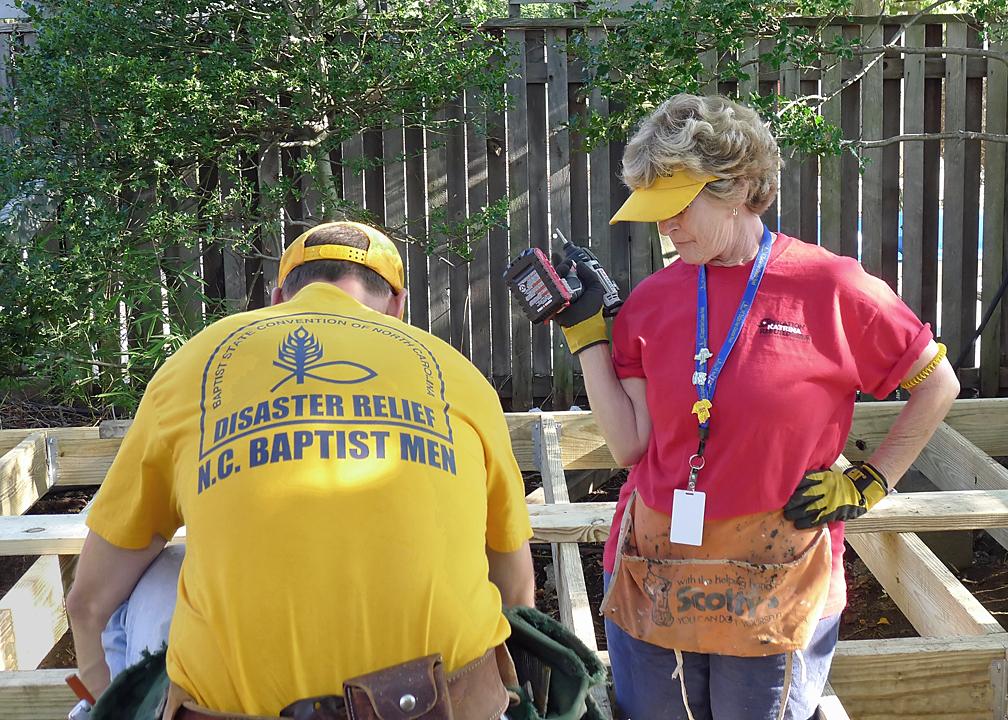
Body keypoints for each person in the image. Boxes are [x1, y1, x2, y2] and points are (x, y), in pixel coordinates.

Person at [551, 94, 960, 720]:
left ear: (741, 187)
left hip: (778, 573)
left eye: (678, 207)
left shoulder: (831, 286)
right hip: (656, 567)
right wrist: (587, 343)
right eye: (654, 212)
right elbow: (631, 446)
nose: (664, 226)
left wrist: (872, 481)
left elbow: (938, 382)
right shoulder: (650, 303)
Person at [66, 221, 536, 719]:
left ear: (277, 299)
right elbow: (516, 593)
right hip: (442, 705)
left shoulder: (195, 364)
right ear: (398, 306)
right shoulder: (456, 373)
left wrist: (102, 700)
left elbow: (88, 603)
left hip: (234, 711)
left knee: (152, 575)